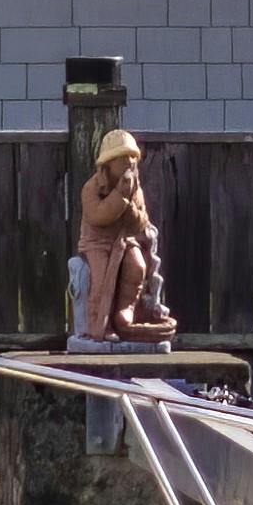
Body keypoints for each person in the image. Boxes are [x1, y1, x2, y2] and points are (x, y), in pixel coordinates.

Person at [70, 125, 176, 349]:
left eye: (132, 159)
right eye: (123, 159)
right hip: (96, 243)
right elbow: (98, 216)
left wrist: (130, 204)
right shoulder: (91, 188)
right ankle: (99, 324)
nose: (129, 163)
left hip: (126, 240)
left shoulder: (134, 188)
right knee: (99, 277)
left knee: (137, 266)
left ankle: (125, 312)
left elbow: (141, 221)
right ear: (108, 164)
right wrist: (120, 197)